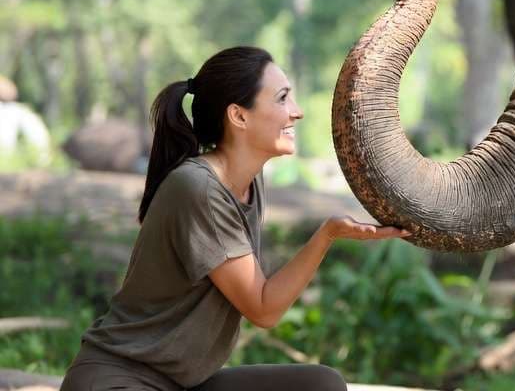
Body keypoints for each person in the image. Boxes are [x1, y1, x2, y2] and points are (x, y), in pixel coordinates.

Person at [60, 46, 409, 391]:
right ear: (239, 116)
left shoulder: (249, 181)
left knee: (321, 384)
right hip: (120, 379)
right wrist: (326, 235)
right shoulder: (199, 188)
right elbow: (263, 309)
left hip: (182, 383)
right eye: (282, 99)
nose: (297, 112)